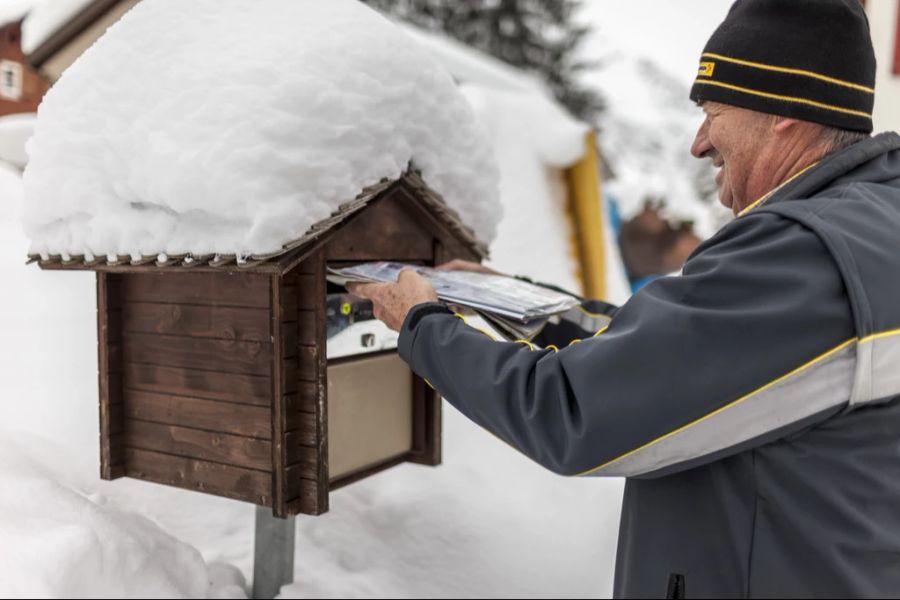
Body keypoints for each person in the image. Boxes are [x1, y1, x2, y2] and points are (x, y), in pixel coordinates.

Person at [349, 1, 900, 597]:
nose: (699, 142)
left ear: (783, 113)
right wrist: (513, 300)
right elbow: (683, 354)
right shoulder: (869, 230)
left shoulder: (800, 256)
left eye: (713, 112)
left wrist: (423, 324)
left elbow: (571, 412)